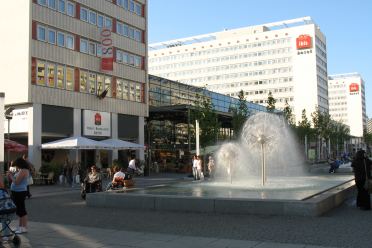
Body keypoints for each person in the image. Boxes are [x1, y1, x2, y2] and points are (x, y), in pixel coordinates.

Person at [9, 157, 30, 234]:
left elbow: (17, 182)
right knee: (19, 210)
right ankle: (20, 226)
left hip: (19, 192)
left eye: (17, 165)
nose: (16, 167)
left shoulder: (23, 171)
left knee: (21, 210)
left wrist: (11, 176)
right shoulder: (22, 170)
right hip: (17, 191)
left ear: (20, 164)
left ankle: (24, 227)